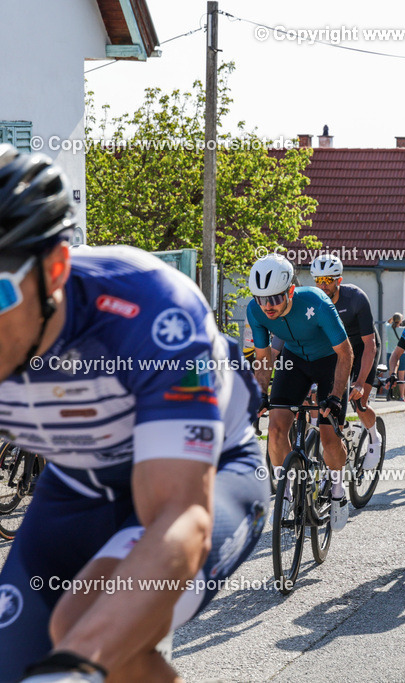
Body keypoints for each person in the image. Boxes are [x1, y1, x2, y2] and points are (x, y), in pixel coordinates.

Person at [0, 145, 266, 681]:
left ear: (54, 269)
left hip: (209, 473)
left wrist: (76, 667)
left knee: (84, 626)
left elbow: (177, 513)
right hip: (77, 484)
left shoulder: (147, 305)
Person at [247, 253, 355, 529]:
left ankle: (338, 491)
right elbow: (264, 358)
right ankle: (286, 490)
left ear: (291, 291)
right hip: (294, 361)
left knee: (329, 435)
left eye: (275, 298)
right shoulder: (255, 310)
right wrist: (260, 395)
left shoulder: (317, 302)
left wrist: (334, 396)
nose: (268, 306)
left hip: (329, 361)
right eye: (262, 299)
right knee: (276, 427)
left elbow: (345, 353)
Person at [309, 254, 384, 468]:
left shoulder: (355, 298)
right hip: (337, 350)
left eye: (327, 280)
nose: (322, 286)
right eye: (318, 281)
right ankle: (335, 446)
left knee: (359, 403)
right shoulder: (314, 301)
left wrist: (360, 381)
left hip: (362, 347)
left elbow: (370, 344)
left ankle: (374, 438)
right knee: (329, 400)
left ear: (338, 280)